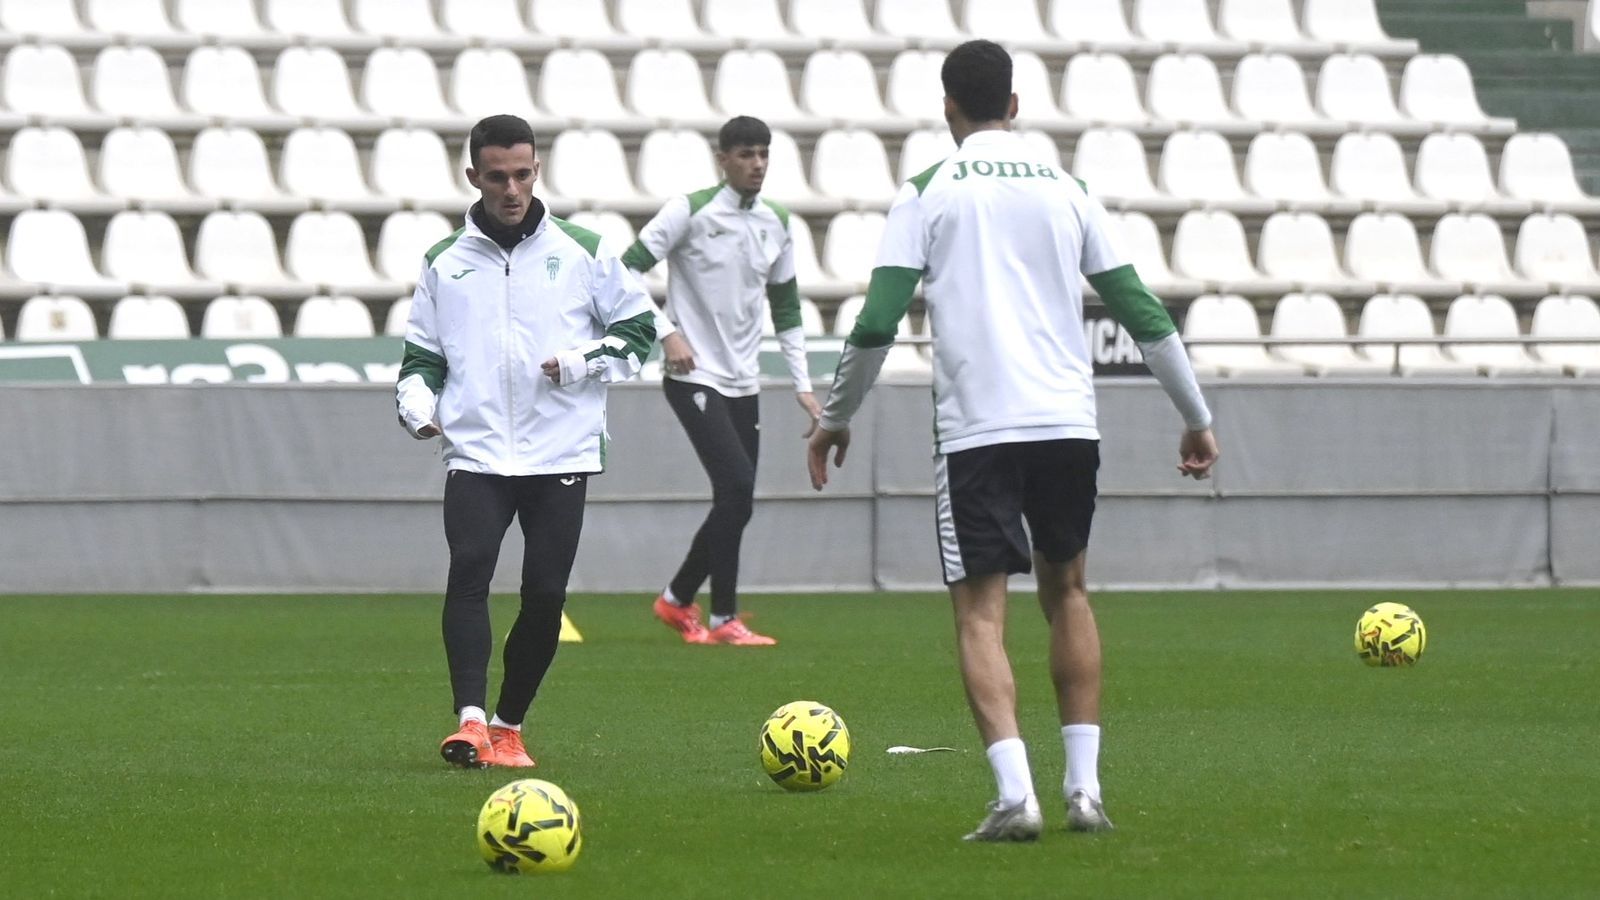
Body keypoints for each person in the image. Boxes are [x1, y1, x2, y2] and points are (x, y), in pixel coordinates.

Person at [805, 41, 1220, 841]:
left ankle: (1015, 796)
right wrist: (1196, 414)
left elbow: (878, 321)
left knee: (980, 616)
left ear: (948, 108)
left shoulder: (928, 192)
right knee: (1069, 594)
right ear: (1016, 104)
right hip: (1067, 423)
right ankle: (1085, 792)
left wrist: (834, 418)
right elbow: (1140, 309)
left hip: (979, 430)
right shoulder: (1068, 189)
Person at [396, 114, 658, 769]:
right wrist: (416, 407)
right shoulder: (444, 262)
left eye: (521, 174)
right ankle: (470, 723)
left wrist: (579, 362)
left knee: (545, 594)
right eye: (496, 177)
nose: (511, 189)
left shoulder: (584, 250)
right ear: (473, 177)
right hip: (477, 451)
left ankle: (509, 726)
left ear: (536, 170)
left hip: (561, 451)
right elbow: (422, 357)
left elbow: (639, 331)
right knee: (469, 573)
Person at [621, 116, 821, 647]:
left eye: (764, 154)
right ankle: (699, 608)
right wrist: (666, 334)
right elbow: (623, 271)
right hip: (693, 374)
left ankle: (700, 609)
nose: (757, 164)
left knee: (738, 499)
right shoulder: (689, 210)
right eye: (747, 154)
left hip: (743, 380)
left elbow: (787, 308)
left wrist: (802, 385)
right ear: (723, 159)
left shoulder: (777, 221)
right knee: (735, 490)